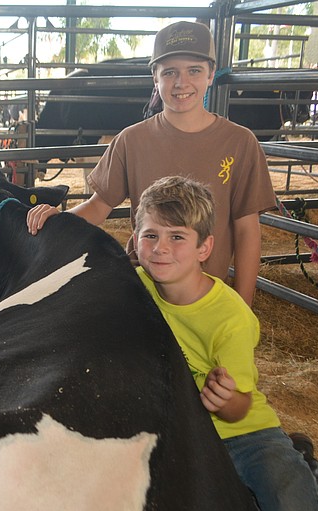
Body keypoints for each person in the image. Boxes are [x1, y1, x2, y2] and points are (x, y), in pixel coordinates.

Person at [135, 175, 318, 511]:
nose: (160, 249)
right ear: (135, 239)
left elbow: (240, 408)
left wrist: (225, 398)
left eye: (177, 237)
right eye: (150, 235)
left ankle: (307, 467)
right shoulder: (135, 285)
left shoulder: (230, 316)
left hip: (247, 435)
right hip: (184, 434)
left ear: (205, 248)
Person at [27, 20, 276, 306]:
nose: (181, 83)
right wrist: (58, 221)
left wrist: (242, 307)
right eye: (169, 72)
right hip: (142, 295)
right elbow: (99, 205)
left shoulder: (240, 143)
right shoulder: (131, 140)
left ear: (210, 75)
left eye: (194, 70)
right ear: (154, 79)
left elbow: (246, 229)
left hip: (207, 297)